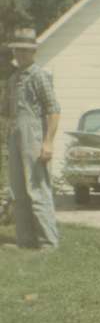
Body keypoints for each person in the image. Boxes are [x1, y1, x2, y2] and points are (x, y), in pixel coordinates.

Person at [2, 27, 61, 249]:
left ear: (33, 52)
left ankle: (48, 243)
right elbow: (6, 112)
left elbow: (53, 110)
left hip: (34, 138)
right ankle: (25, 242)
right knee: (18, 192)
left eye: (25, 51)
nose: (20, 55)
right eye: (17, 50)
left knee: (38, 190)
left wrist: (48, 142)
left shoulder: (40, 76)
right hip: (15, 137)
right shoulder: (13, 79)